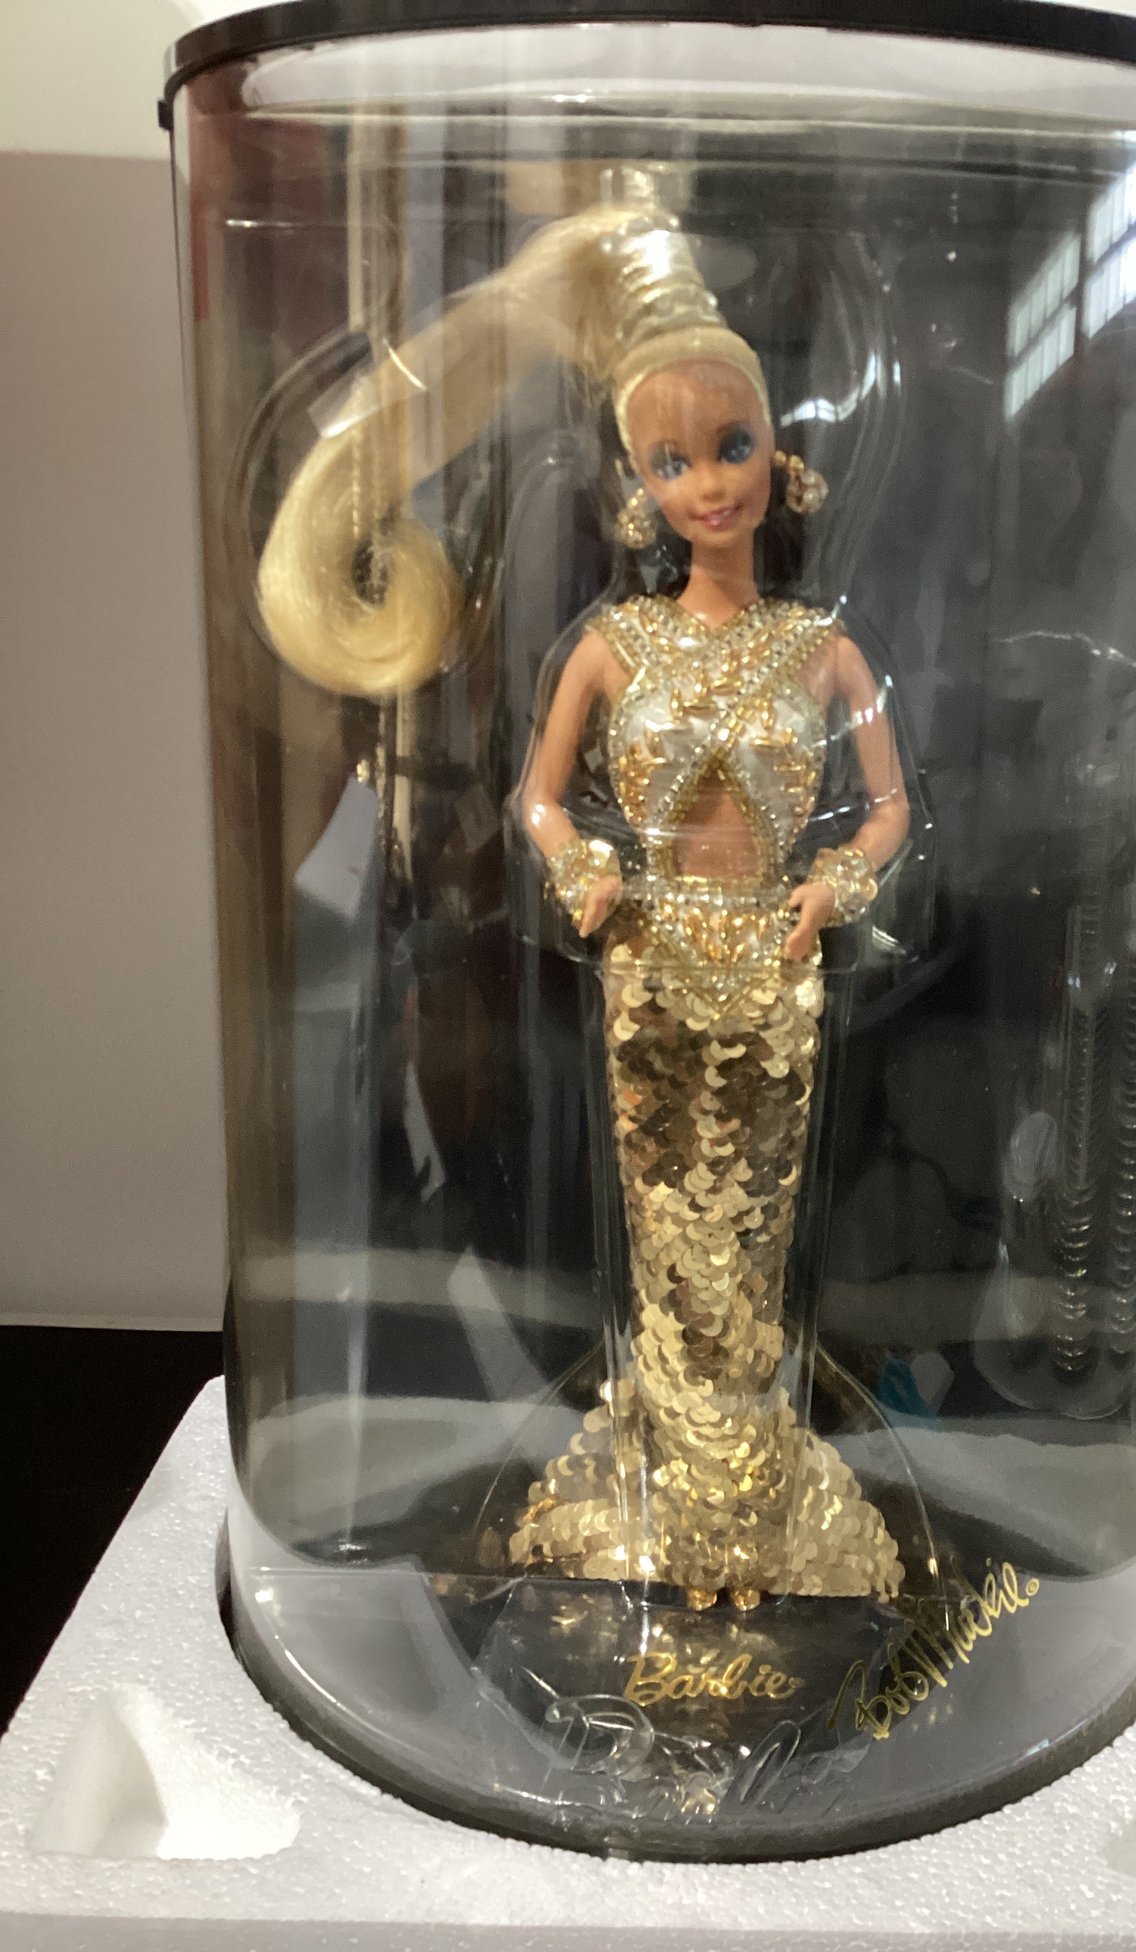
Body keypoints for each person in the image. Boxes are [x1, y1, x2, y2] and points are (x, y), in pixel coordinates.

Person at [259, 205, 907, 1610]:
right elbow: (539, 798)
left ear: (777, 454)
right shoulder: (613, 647)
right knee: (667, 1222)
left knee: (757, 1226)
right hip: (650, 966)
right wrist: (584, 871)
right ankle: (670, 1458)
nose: (708, 484)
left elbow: (891, 806)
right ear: (638, 487)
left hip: (778, 970)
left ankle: (749, 1463)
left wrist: (836, 883)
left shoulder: (822, 650)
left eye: (729, 446)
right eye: (673, 462)